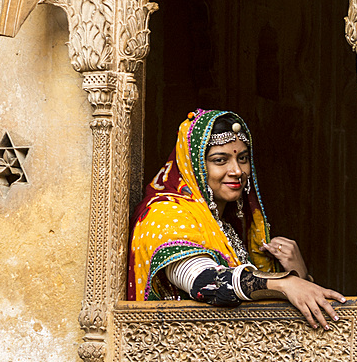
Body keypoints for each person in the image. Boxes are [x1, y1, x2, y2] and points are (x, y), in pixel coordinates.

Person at [127, 109, 345, 329]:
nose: (237, 171)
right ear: (193, 167)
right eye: (220, 160)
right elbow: (207, 283)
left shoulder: (224, 228)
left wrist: (300, 274)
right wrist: (285, 282)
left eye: (242, 159)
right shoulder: (165, 214)